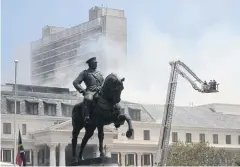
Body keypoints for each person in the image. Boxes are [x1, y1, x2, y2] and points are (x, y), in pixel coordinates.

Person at [73, 57, 104, 125]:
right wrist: (83, 91)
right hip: (90, 91)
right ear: (90, 64)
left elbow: (103, 82)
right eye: (94, 63)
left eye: (96, 63)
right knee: (88, 99)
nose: (96, 64)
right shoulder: (85, 73)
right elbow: (75, 82)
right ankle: (86, 116)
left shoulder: (99, 73)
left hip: (100, 90)